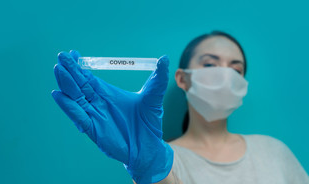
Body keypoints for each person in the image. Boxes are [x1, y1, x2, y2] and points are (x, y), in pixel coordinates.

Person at [51, 30, 309, 184]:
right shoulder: (163, 161)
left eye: (236, 69)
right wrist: (152, 173)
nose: (225, 76)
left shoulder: (274, 152)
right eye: (210, 64)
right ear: (182, 79)